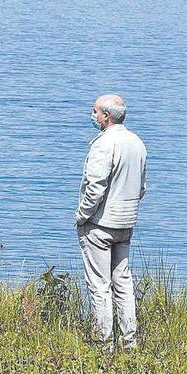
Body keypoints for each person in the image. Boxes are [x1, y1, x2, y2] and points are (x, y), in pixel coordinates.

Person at [76, 94, 147, 350]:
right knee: (123, 283)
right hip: (126, 223)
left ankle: (103, 344)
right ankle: (129, 342)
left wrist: (82, 215)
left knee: (99, 285)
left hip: (100, 225)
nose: (93, 116)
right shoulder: (137, 142)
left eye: (95, 112)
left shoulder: (103, 144)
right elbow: (141, 187)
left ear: (106, 116)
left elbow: (95, 187)